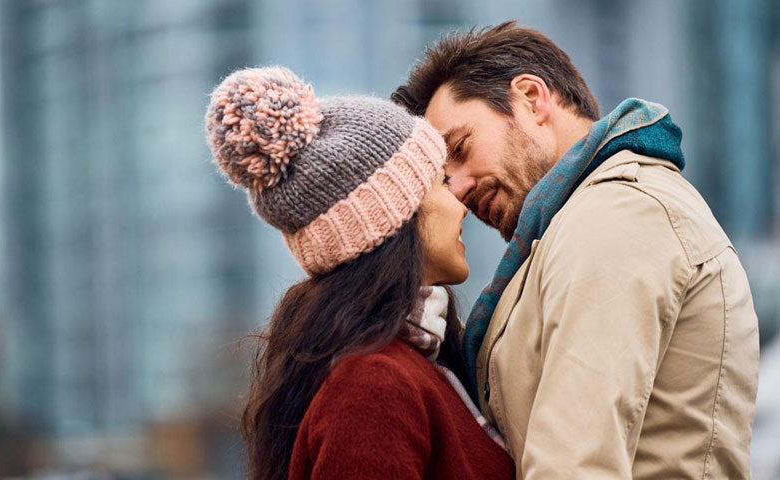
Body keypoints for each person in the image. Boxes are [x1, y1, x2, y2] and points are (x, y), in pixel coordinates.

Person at [392, 21, 759, 479]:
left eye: (461, 149)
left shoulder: (617, 214)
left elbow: (574, 466)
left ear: (531, 98)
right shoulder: (572, 228)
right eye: (444, 179)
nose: (459, 190)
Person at [206, 67, 515, 480]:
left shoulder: (404, 366)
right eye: (440, 181)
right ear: (396, 216)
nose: (459, 201)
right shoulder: (375, 386)